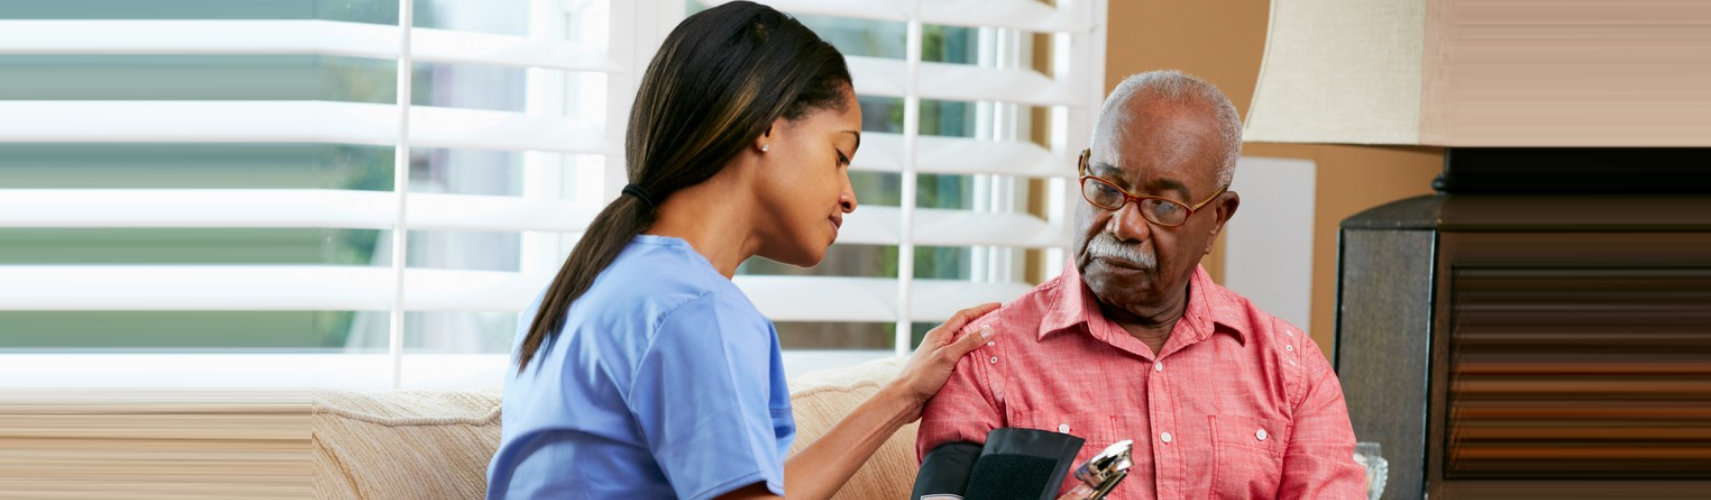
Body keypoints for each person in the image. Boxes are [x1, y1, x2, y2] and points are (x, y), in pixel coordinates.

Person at [485, 3, 998, 499]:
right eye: (840, 156)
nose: (849, 195)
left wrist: (904, 394)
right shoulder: (695, 312)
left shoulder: (584, 288)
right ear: (767, 127)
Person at [916, 70, 1369, 499]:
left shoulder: (1292, 370)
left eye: (1162, 205)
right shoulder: (986, 358)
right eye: (1107, 188)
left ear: (1217, 218)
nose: (1123, 225)